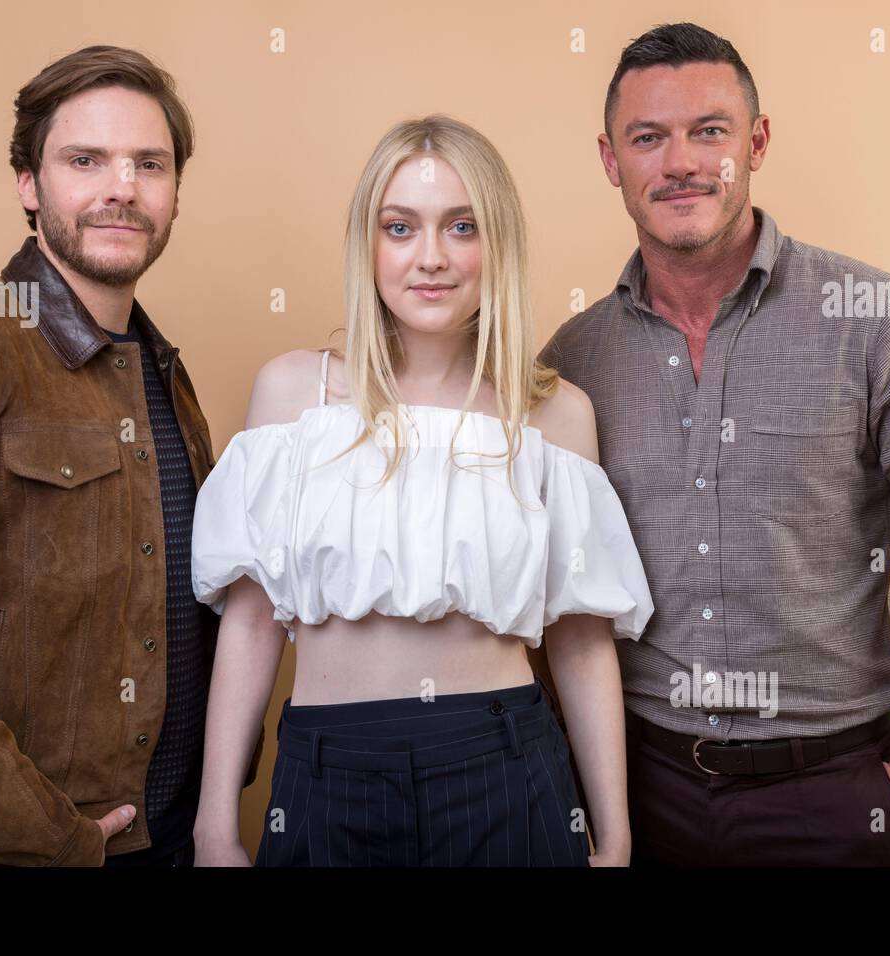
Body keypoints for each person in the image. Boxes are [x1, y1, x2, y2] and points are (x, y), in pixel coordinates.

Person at [538, 22, 890, 866]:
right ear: (609, 159)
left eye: (710, 132)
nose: (681, 162)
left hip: (837, 796)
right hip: (633, 795)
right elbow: (549, 593)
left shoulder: (889, 330)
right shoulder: (571, 363)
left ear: (757, 143)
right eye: (648, 138)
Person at [0, 45, 261, 867]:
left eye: (149, 163)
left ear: (175, 192)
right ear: (28, 185)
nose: (122, 188)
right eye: (85, 160)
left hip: (174, 841)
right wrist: (43, 839)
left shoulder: (163, 374)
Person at [190, 115, 653, 867]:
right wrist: (216, 827)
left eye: (462, 226)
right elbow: (250, 624)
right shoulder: (290, 398)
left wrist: (616, 838)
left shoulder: (556, 414)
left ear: (496, 242)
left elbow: (581, 642)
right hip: (326, 770)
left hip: (505, 763)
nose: (431, 258)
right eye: (400, 227)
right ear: (365, 246)